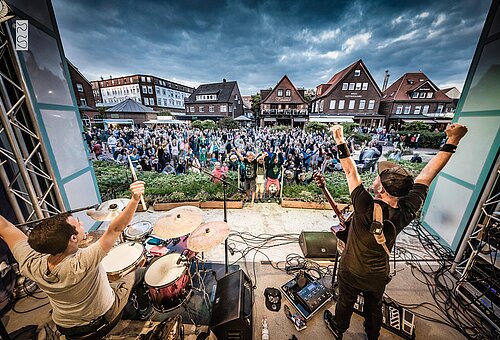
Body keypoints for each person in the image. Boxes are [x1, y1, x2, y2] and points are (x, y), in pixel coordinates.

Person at [321, 123, 468, 340]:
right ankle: (373, 334)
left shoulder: (365, 206)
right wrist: (453, 140)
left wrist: (339, 138)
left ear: (380, 188)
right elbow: (429, 173)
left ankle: (339, 327)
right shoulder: (407, 209)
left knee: (345, 301)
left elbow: (350, 170)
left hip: (352, 270)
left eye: (379, 177)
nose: (376, 177)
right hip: (379, 273)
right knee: (374, 305)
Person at [0, 181, 151, 338]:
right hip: (103, 322)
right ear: (73, 238)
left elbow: (5, 228)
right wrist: (134, 199)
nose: (81, 223)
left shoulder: (31, 261)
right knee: (140, 273)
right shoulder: (82, 261)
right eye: (78, 224)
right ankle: (139, 312)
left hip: (67, 329)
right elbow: (115, 229)